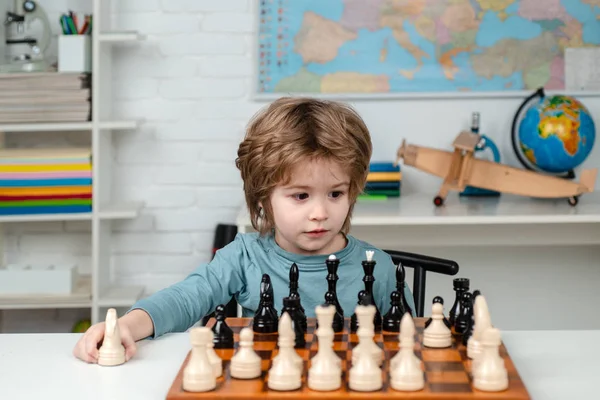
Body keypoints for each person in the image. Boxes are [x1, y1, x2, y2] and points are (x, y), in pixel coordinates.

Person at [73, 97, 415, 363]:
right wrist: (128, 327)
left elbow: (415, 348)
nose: (320, 213)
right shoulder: (244, 257)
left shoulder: (380, 268)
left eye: (336, 193)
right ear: (263, 197)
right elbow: (185, 298)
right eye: (300, 195)